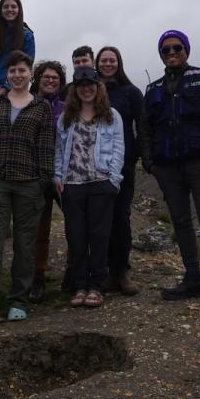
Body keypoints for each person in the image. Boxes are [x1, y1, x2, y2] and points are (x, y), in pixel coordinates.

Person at [138, 29, 200, 318]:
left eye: (176, 48)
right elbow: (144, 128)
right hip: (167, 167)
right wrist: (150, 162)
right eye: (165, 50)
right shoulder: (152, 89)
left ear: (186, 50)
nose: (171, 54)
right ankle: (193, 278)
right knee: (180, 222)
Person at [0, 51, 54, 329]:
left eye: (22, 70)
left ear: (31, 74)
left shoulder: (41, 108)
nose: (17, 75)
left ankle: (18, 300)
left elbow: (45, 149)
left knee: (25, 246)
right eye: (12, 71)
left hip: (29, 185)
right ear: (7, 75)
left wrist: (42, 180)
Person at [54, 67, 125, 308]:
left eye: (91, 84)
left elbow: (118, 149)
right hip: (72, 184)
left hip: (100, 184)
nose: (86, 89)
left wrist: (113, 180)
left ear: (98, 87)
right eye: (81, 85)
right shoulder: (65, 119)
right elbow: (58, 151)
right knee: (76, 238)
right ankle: (79, 285)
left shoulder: (112, 116)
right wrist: (58, 178)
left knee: (99, 237)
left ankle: (96, 285)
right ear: (74, 89)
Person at [96, 46, 144, 295]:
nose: (107, 64)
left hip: (123, 164)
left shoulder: (131, 92)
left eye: (111, 60)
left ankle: (122, 271)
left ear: (119, 63)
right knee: (102, 218)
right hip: (94, 164)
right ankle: (103, 271)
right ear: (97, 63)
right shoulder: (90, 91)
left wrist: (140, 155)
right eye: (103, 60)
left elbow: (143, 125)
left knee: (121, 217)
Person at [28, 60, 66, 302]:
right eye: (46, 77)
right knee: (38, 230)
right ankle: (37, 276)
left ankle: (75, 273)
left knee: (76, 225)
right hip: (36, 175)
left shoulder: (67, 107)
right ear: (37, 80)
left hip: (64, 175)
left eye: (55, 78)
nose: (50, 80)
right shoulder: (27, 105)